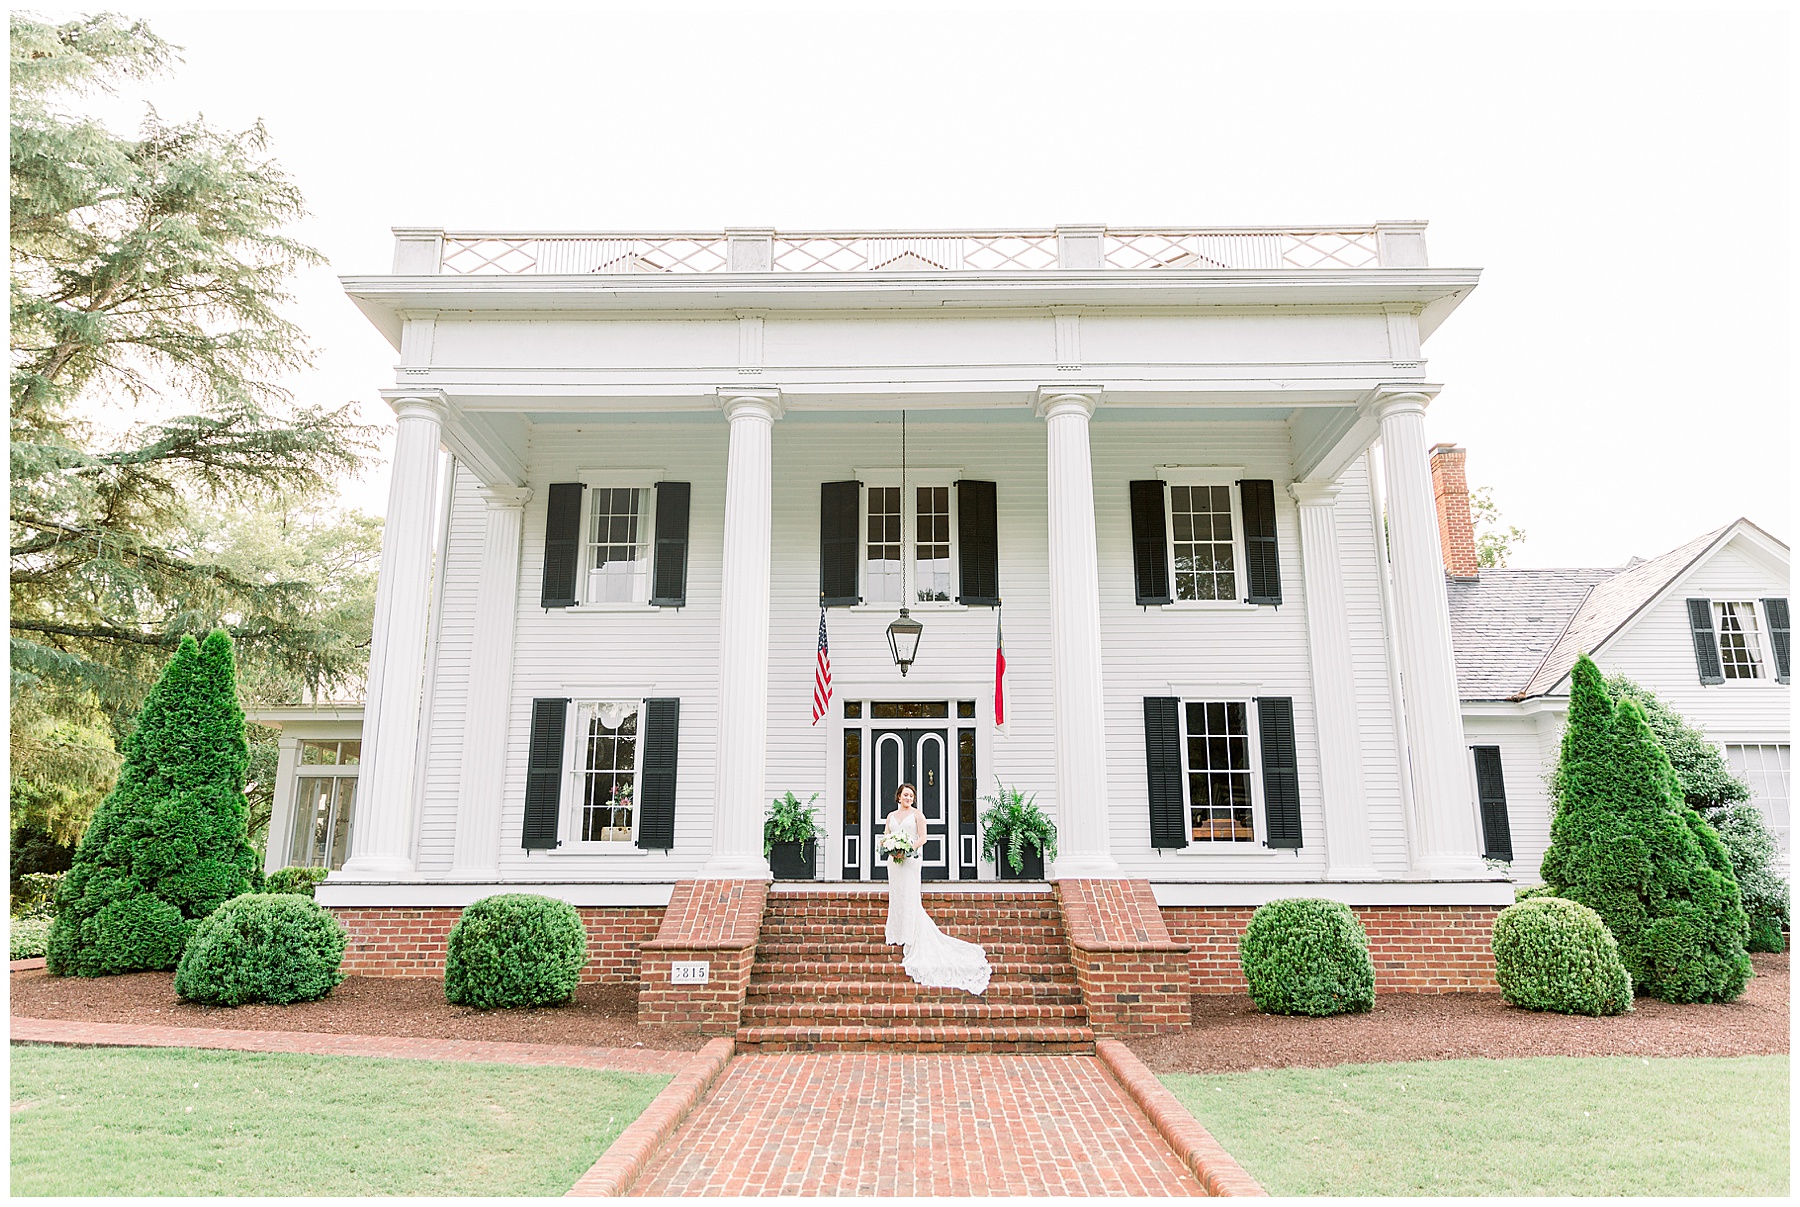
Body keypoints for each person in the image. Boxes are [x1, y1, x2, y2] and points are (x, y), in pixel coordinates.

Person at [883, 782, 991, 995]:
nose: (908, 798)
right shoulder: (890, 816)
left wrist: (907, 848)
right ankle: (897, 930)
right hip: (894, 863)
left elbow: (923, 838)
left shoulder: (918, 815)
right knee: (897, 895)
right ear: (898, 797)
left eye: (911, 796)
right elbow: (886, 836)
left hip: (910, 860)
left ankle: (911, 933)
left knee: (910, 896)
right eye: (905, 795)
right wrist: (890, 847)